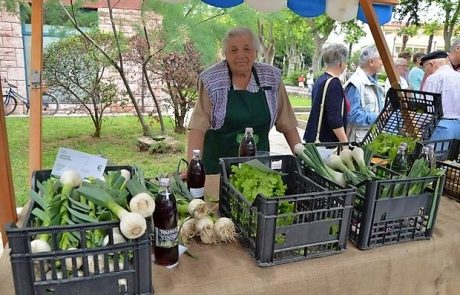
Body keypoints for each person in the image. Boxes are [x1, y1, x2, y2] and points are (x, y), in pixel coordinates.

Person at [187, 27, 301, 174]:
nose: (240, 55)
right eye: (233, 50)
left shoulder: (272, 78)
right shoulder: (211, 80)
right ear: (225, 54)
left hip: (259, 170)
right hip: (217, 169)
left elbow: (288, 123)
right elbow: (198, 127)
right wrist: (192, 167)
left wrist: (302, 161)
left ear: (255, 52)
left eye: (247, 49)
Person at [303, 44, 349, 143]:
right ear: (341, 63)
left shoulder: (321, 79)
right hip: (326, 142)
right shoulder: (334, 83)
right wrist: (345, 143)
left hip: (314, 137)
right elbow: (334, 118)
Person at [344, 45, 385, 142]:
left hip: (369, 137)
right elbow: (351, 114)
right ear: (371, 62)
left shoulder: (373, 81)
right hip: (358, 141)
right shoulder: (356, 83)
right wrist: (378, 117)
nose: (382, 62)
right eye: (380, 59)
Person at [421, 50, 460, 140]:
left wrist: (421, 125)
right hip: (458, 126)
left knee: (435, 154)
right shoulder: (458, 76)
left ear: (431, 64)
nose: (425, 71)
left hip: (440, 126)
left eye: (424, 67)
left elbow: (428, 107)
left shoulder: (434, 78)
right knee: (452, 154)